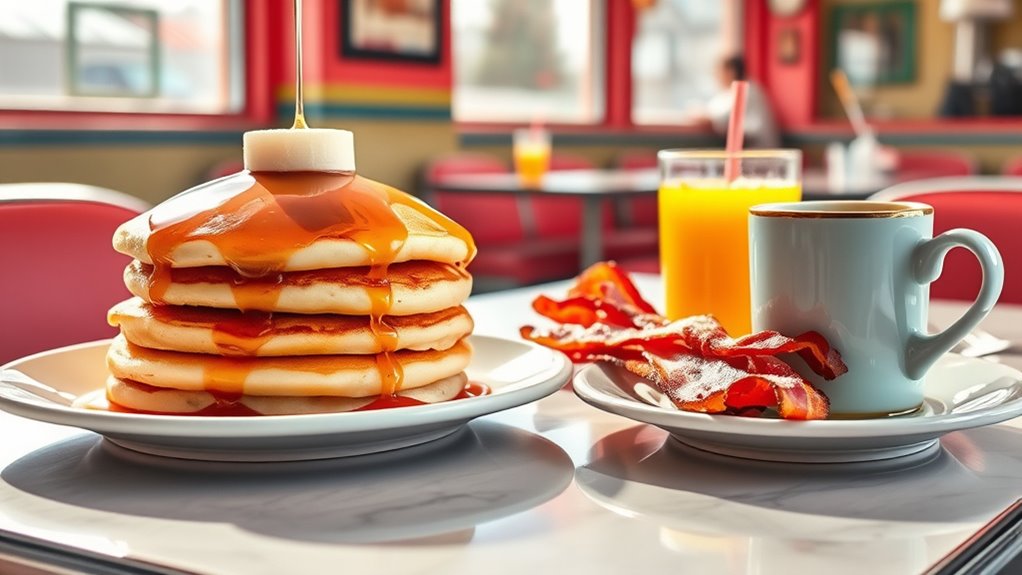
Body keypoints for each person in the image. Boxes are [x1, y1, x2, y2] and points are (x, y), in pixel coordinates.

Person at [703, 56, 780, 149]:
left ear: (731, 72)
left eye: (719, 71)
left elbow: (720, 118)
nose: (716, 76)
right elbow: (710, 112)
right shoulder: (725, 93)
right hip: (742, 150)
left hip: (760, 152)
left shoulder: (748, 90)